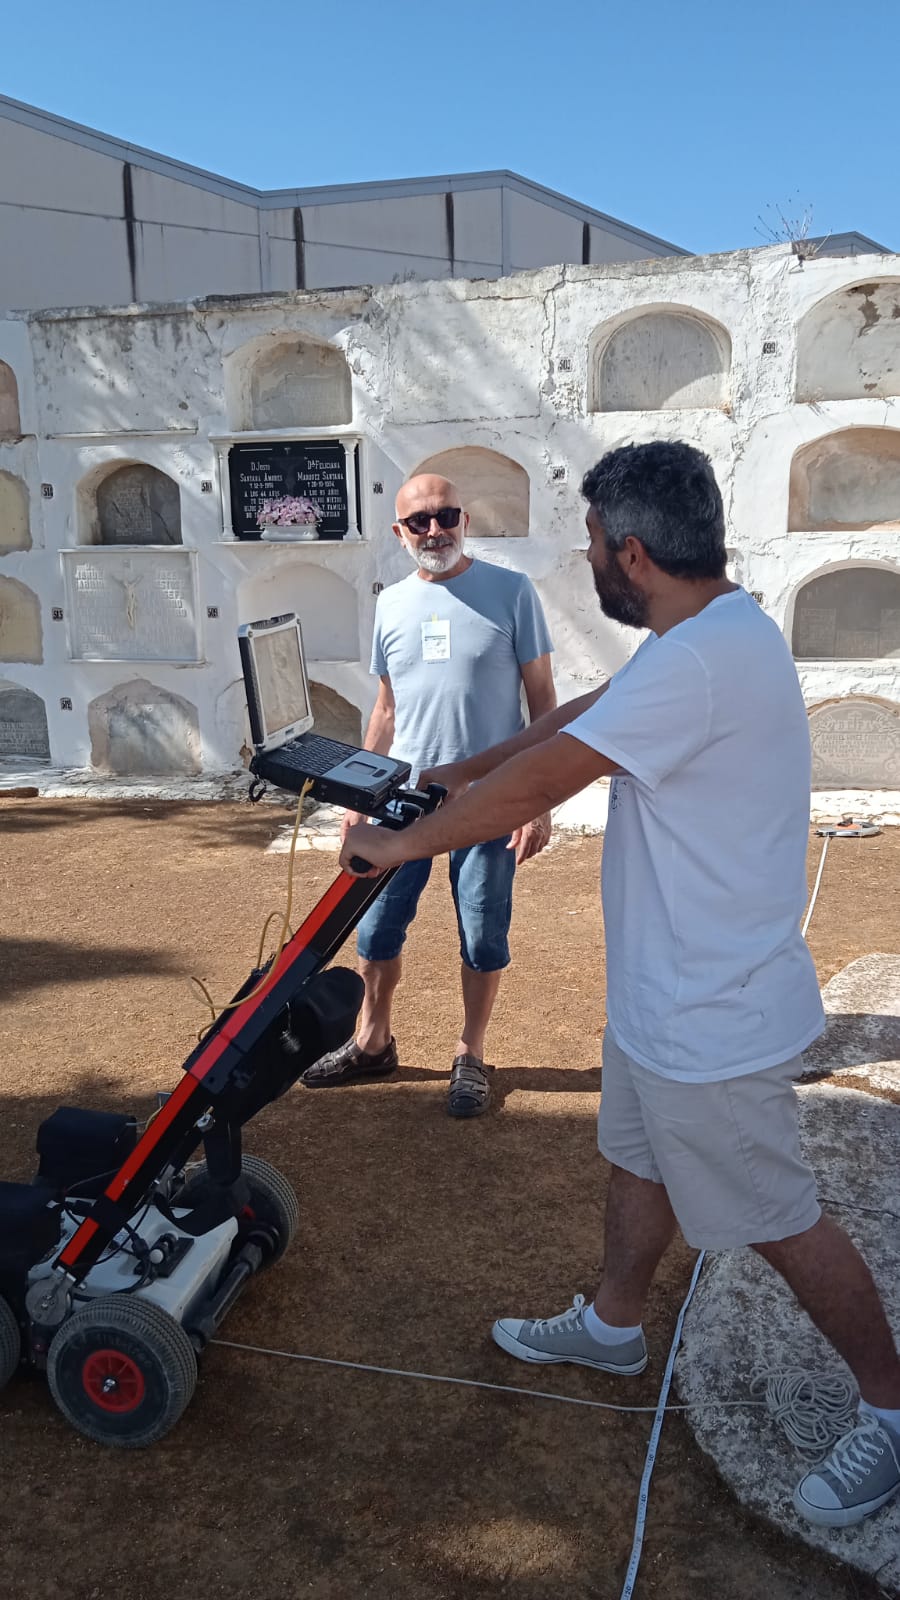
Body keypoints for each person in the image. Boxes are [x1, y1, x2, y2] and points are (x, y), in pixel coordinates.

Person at [339, 442, 900, 1528]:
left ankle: (891, 1402)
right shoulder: (707, 630)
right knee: (637, 1158)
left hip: (710, 1014)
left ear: (633, 554)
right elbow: (576, 717)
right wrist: (448, 773)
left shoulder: (697, 664)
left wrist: (397, 845)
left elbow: (548, 779)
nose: (589, 556)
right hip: (667, 993)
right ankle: (613, 1323)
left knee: (780, 1216)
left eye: (594, 541)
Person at [303, 471, 556, 1117]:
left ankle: (471, 1052)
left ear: (464, 520)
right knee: (376, 928)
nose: (435, 530)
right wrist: (355, 799)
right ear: (400, 532)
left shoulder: (512, 592)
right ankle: (372, 1041)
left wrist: (538, 802)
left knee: (483, 930)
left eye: (446, 515)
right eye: (420, 521)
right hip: (399, 800)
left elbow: (543, 702)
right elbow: (385, 710)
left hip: (489, 798)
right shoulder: (391, 604)